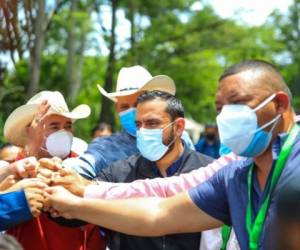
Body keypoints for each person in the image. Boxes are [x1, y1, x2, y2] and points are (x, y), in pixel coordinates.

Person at [45, 60, 300, 250]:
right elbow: (160, 212)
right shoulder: (235, 174)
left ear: (279, 104)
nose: (226, 117)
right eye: (220, 108)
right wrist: (78, 200)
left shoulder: (282, 162)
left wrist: (84, 194)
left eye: (237, 103)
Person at [58, 91, 213, 250]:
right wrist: (54, 184)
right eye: (139, 125)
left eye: (152, 123)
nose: (143, 132)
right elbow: (75, 213)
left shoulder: (208, 171)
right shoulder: (119, 173)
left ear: (179, 127)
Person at [4, 91, 105, 250]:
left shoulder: (83, 169)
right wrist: (33, 151)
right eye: (54, 126)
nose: (63, 132)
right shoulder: (15, 169)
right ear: (31, 130)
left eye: (68, 126)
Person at [65, 65, 176, 180]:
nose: (133, 112)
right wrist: (58, 169)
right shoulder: (106, 147)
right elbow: (83, 166)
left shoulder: (176, 138)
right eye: (124, 107)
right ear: (117, 108)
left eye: (138, 103)